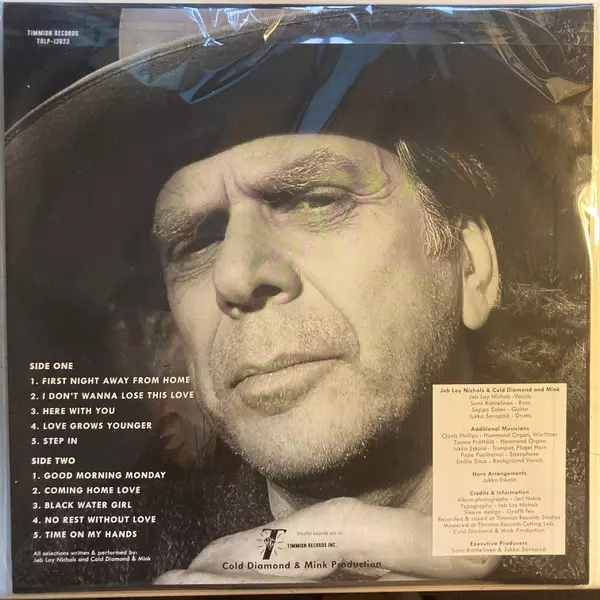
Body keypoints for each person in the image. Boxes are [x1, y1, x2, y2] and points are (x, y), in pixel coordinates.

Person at [5, 5, 591, 589]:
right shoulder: (82, 569)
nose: (235, 276)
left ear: (474, 269)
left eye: (315, 200)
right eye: (198, 240)